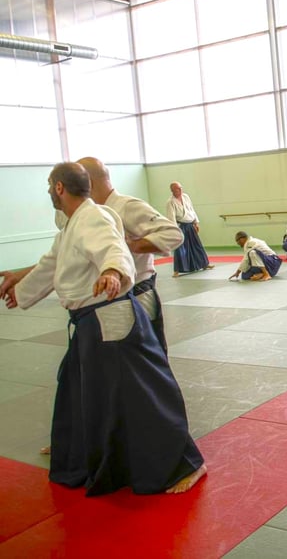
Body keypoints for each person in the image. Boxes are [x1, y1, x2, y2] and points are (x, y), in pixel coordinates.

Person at [2, 162, 206, 495]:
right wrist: (21, 290)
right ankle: (82, 451)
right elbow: (52, 264)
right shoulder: (74, 222)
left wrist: (113, 270)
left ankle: (185, 462)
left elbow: (114, 249)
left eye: (48, 185)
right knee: (78, 385)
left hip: (114, 316)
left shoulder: (97, 216)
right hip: (89, 320)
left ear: (58, 188)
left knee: (144, 393)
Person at [78, 157, 182, 353]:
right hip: (107, 301)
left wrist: (131, 245)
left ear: (89, 183)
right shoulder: (92, 213)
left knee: (145, 361)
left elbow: (173, 234)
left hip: (138, 296)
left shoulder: (127, 206)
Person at [165, 182, 214, 277]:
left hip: (190, 224)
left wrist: (196, 222)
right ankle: (177, 270)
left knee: (197, 245)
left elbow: (192, 209)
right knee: (180, 248)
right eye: (177, 189)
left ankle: (204, 264)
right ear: (172, 191)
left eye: (180, 188)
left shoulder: (186, 197)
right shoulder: (170, 202)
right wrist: (175, 230)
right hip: (181, 226)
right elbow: (171, 218)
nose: (179, 190)